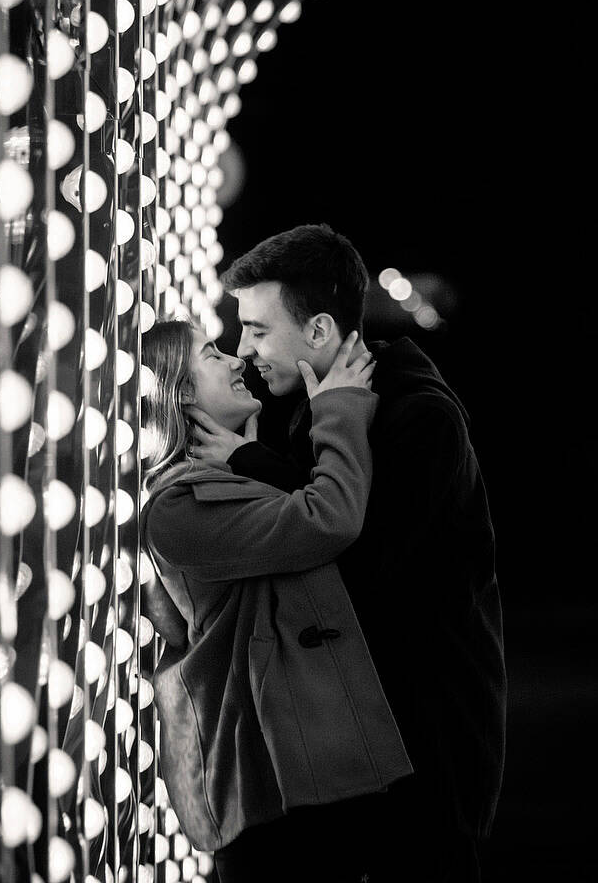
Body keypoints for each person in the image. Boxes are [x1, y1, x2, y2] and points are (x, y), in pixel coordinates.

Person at [191, 223, 507, 882]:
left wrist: (249, 465)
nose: (244, 350)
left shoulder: (416, 418)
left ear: (318, 332)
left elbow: (358, 562)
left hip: (421, 752)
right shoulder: (337, 408)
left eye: (256, 329)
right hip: (362, 741)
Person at [137, 319, 414, 883]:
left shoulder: (221, 478)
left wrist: (247, 456)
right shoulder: (179, 506)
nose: (238, 360)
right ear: (181, 391)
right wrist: (339, 408)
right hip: (269, 774)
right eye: (212, 354)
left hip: (295, 761)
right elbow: (327, 519)